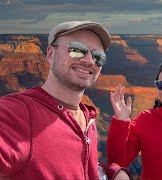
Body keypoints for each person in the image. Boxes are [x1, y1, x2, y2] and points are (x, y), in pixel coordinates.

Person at [0, 21, 130, 180]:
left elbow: (82, 166)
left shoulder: (87, 118)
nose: (89, 60)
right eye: (76, 50)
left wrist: (114, 172)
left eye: (98, 56)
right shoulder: (18, 113)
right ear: (50, 54)